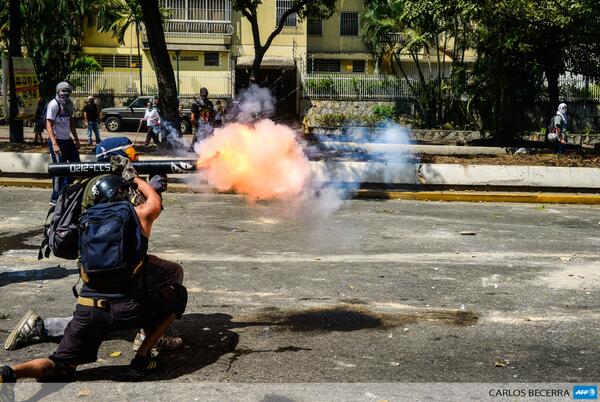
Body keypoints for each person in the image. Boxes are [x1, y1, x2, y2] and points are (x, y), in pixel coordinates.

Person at [0, 166, 187, 382]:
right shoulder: (138, 215)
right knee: (178, 295)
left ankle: (11, 371)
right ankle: (142, 359)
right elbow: (154, 200)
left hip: (88, 311)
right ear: (121, 194)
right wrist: (134, 177)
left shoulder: (82, 222)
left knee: (59, 366)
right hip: (128, 309)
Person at [47, 82, 81, 205]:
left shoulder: (69, 104)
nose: (65, 93)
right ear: (58, 91)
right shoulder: (53, 105)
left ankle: (64, 191)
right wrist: (54, 144)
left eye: (67, 91)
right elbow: (49, 125)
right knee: (59, 170)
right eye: (63, 91)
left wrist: (76, 139)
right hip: (57, 141)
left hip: (68, 140)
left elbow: (71, 122)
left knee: (76, 166)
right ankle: (55, 198)